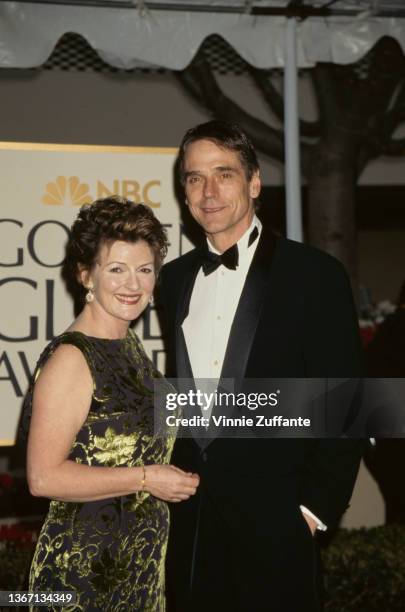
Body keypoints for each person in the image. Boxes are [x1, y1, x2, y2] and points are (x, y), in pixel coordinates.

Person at [159, 121, 364, 612]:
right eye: (194, 178)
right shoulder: (171, 279)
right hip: (191, 521)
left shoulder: (315, 274)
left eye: (223, 174)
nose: (208, 192)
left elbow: (347, 402)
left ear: (254, 183)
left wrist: (314, 510)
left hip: (279, 521)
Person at [23, 197, 199, 611]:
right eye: (116, 269)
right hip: (82, 578)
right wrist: (146, 478)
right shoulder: (73, 358)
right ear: (86, 275)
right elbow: (43, 478)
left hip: (137, 572)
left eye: (145, 270)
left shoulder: (127, 343)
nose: (133, 285)